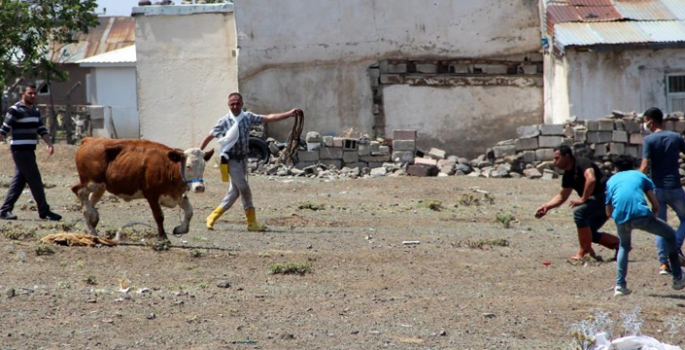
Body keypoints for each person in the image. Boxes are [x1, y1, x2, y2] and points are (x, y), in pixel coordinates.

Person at [198, 92, 301, 231]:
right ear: (228, 105)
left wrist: (288, 114)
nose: (235, 106)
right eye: (232, 104)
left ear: (242, 104)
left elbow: (268, 118)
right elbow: (209, 136)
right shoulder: (224, 121)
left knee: (234, 193)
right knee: (245, 189)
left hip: (243, 161)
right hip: (230, 161)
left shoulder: (247, 117)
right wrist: (198, 152)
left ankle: (212, 217)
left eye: (237, 103)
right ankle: (252, 223)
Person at [605, 155, 685, 296]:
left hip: (621, 218)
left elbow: (608, 211)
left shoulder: (611, 181)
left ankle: (620, 285)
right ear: (633, 165)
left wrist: (619, 218)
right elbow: (654, 203)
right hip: (641, 215)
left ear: (615, 169)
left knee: (624, 246)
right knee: (670, 235)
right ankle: (678, 277)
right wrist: (652, 217)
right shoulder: (640, 176)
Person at [535, 145, 619, 261]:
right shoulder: (568, 175)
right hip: (598, 201)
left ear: (567, 156)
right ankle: (619, 246)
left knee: (579, 213)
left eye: (557, 158)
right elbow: (562, 196)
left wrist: (583, 199)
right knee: (589, 232)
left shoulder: (582, 162)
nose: (554, 162)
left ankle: (584, 251)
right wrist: (546, 206)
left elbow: (591, 179)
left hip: (607, 197)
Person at [0, 84, 62, 221]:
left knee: (19, 181)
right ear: (23, 94)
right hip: (19, 150)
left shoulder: (35, 110)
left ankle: (5, 210)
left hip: (30, 149)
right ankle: (44, 211)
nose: (33, 96)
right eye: (30, 93)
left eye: (35, 93)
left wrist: (49, 143)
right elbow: (4, 130)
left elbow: (41, 129)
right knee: (35, 179)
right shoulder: (15, 110)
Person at [639, 107, 685, 275]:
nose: (644, 124)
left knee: (660, 225)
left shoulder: (649, 140)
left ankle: (663, 264)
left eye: (645, 121)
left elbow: (645, 165)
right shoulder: (675, 137)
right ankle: (676, 246)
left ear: (651, 121)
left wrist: (635, 181)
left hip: (657, 189)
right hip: (674, 187)